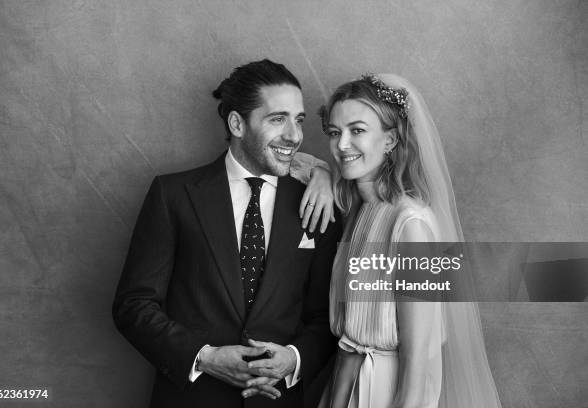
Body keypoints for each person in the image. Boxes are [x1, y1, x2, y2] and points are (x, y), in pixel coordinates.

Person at [112, 59, 342, 408]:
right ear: (237, 123)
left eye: (299, 120)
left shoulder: (318, 203)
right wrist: (203, 357)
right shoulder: (173, 195)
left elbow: (325, 316)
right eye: (278, 119)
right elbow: (133, 305)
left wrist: (294, 359)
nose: (294, 135)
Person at [317, 74, 502, 407]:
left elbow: (418, 357)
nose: (342, 144)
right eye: (334, 132)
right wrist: (319, 173)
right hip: (345, 382)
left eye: (357, 130)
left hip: (386, 390)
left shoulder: (410, 225)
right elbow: (293, 163)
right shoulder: (359, 210)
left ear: (389, 141)